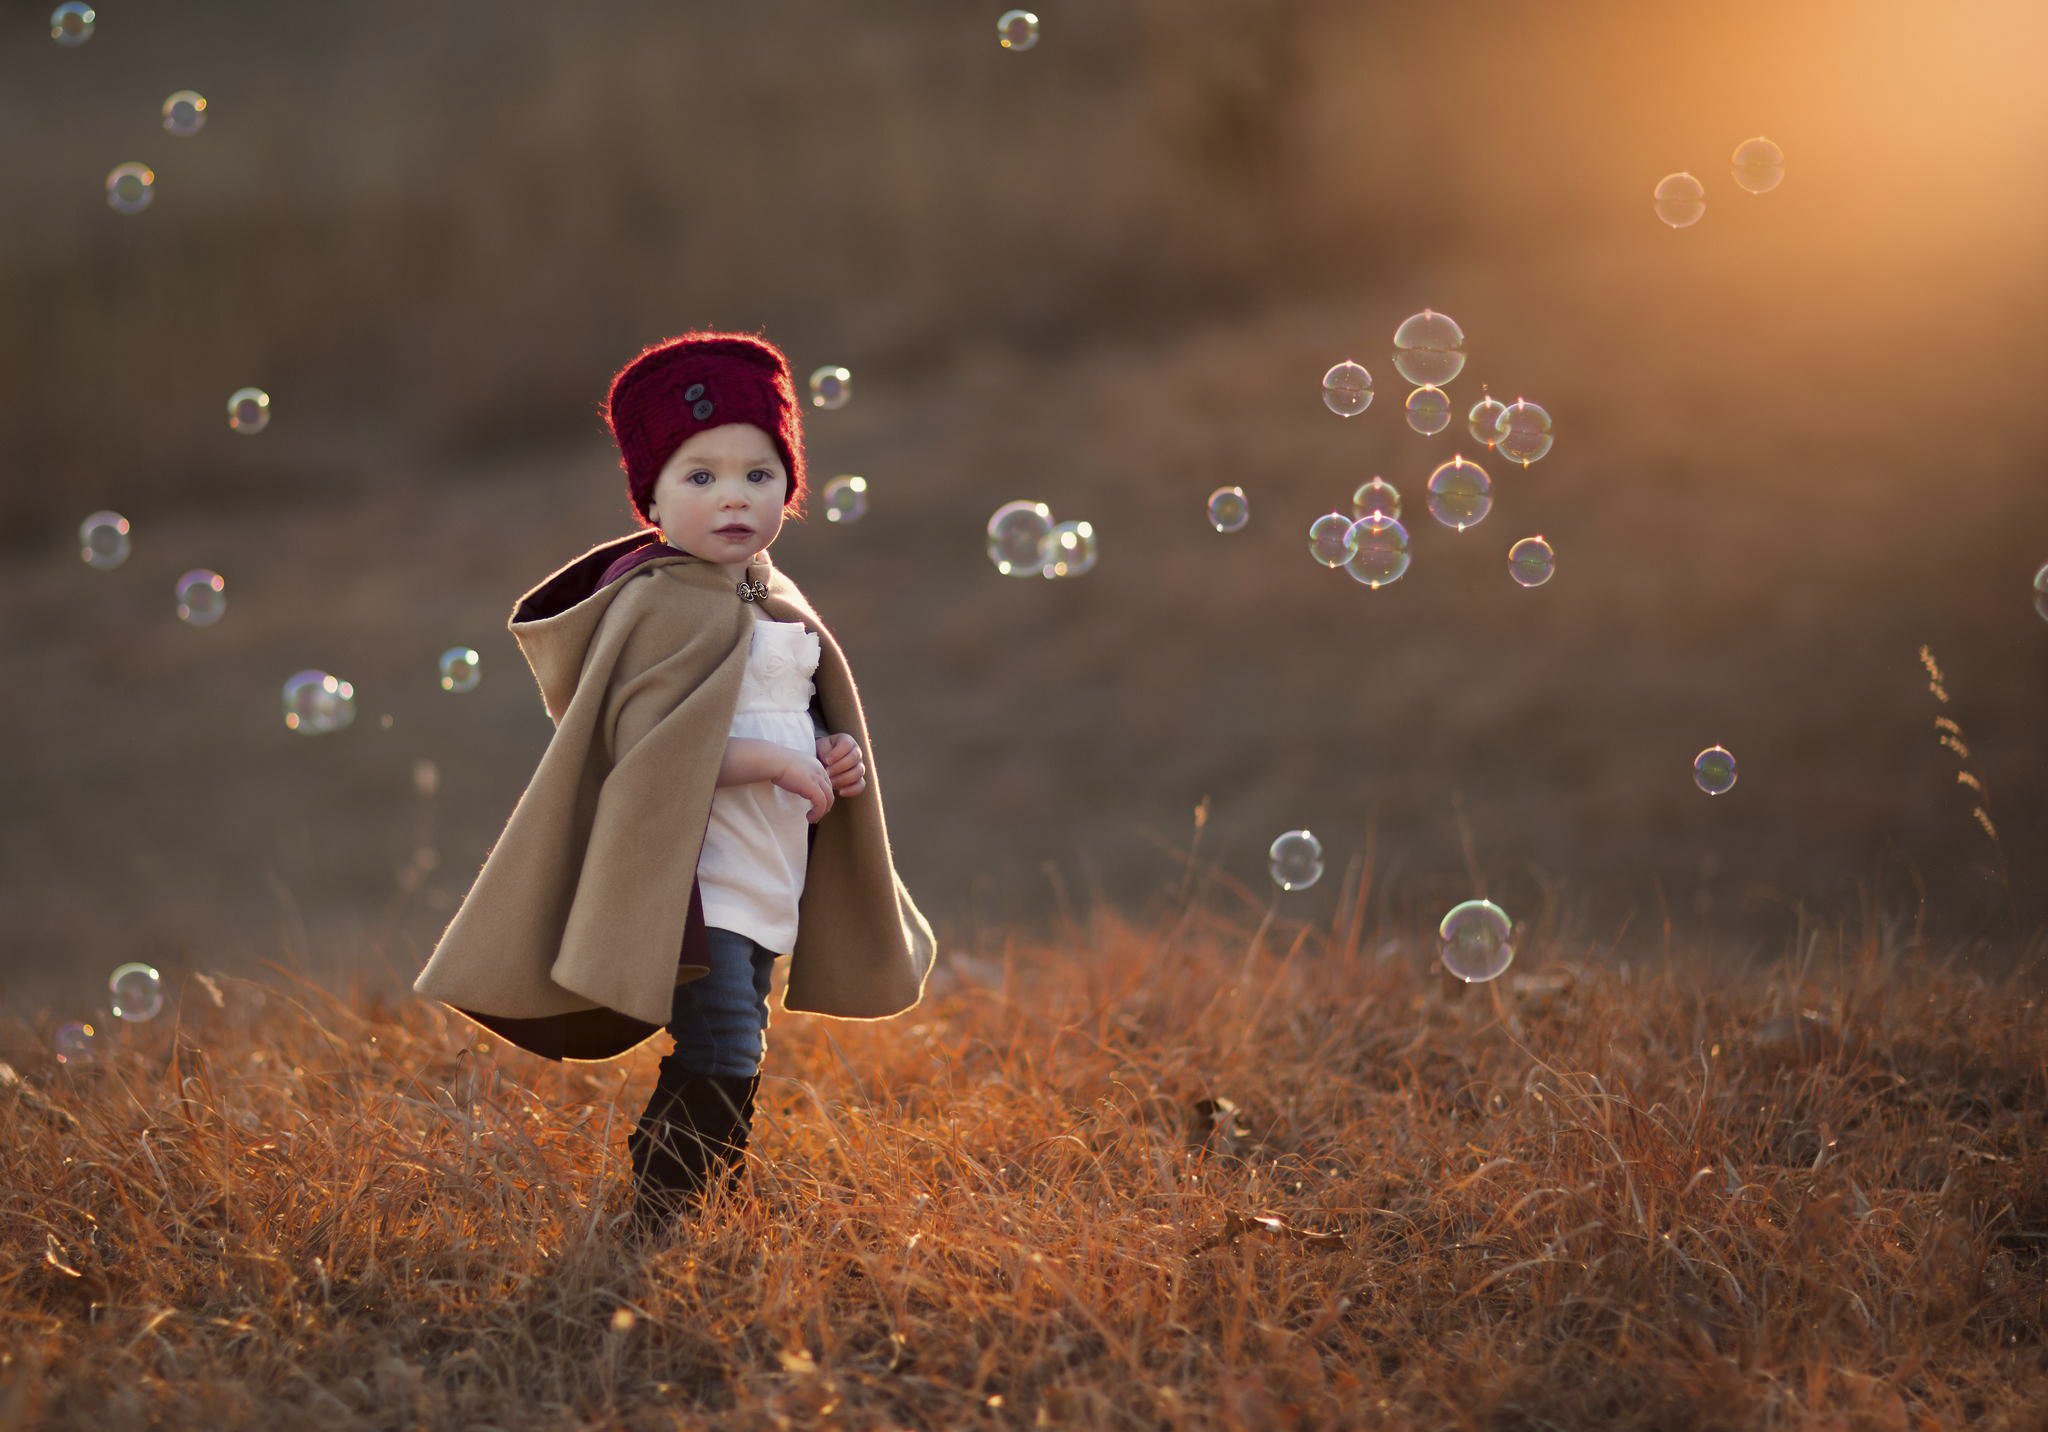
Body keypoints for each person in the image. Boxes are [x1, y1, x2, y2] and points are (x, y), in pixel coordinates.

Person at [411, 331, 935, 1244]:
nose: (734, 495)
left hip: (768, 869)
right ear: (649, 498)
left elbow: (791, 713)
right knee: (724, 1039)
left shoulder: (774, 598)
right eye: (700, 477)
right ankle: (669, 1206)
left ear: (790, 487)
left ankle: (682, 1198)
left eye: (760, 474)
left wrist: (832, 752)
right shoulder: (654, 605)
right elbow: (647, 753)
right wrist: (775, 764)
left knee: (741, 1039)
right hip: (694, 884)